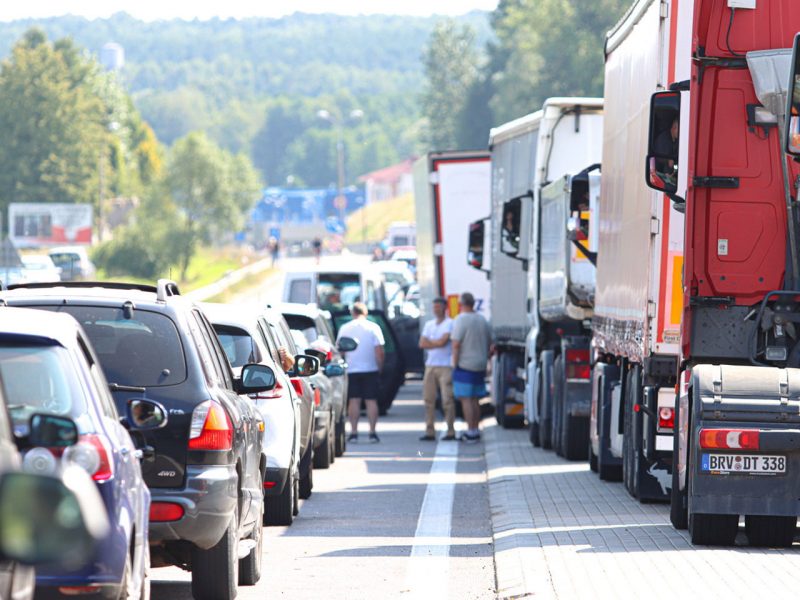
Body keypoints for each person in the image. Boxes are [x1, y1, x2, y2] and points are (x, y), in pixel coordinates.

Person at [337, 302, 385, 443]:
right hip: (370, 369)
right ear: (366, 313)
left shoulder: (345, 328)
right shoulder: (373, 327)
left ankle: (354, 433)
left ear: (353, 313)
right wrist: (380, 367)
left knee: (354, 401)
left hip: (352, 369)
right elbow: (379, 352)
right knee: (371, 401)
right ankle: (372, 432)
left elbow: (340, 350)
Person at [451, 292, 491, 443]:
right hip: (480, 364)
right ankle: (475, 429)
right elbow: (489, 342)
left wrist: (454, 364)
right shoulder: (482, 320)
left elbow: (456, 344)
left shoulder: (461, 320)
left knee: (466, 399)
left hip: (465, 364)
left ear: (461, 304)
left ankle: (470, 430)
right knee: (475, 399)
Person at [418, 297, 456, 441]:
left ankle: (450, 431)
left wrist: (432, 342)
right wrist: (436, 343)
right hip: (430, 365)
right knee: (428, 399)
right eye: (434, 307)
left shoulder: (450, 323)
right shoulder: (429, 324)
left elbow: (443, 342)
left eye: (438, 307)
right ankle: (429, 431)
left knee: (447, 400)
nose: (436, 310)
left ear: (444, 308)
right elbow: (422, 343)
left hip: (445, 366)